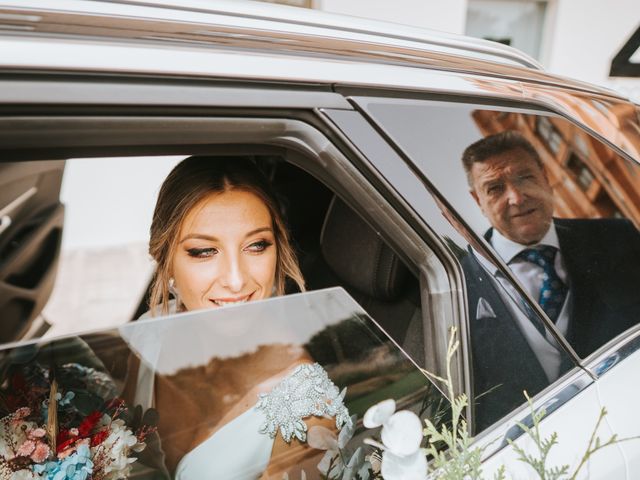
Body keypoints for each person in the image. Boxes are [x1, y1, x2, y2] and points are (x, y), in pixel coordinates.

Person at [125, 156, 351, 478]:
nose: (236, 280)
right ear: (165, 259)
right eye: (204, 251)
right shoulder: (152, 330)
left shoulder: (304, 407)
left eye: (257, 246)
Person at [460, 130, 640, 430]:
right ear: (477, 199)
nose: (516, 197)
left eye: (525, 178)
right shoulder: (457, 285)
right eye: (494, 188)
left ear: (545, 176)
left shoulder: (617, 238)